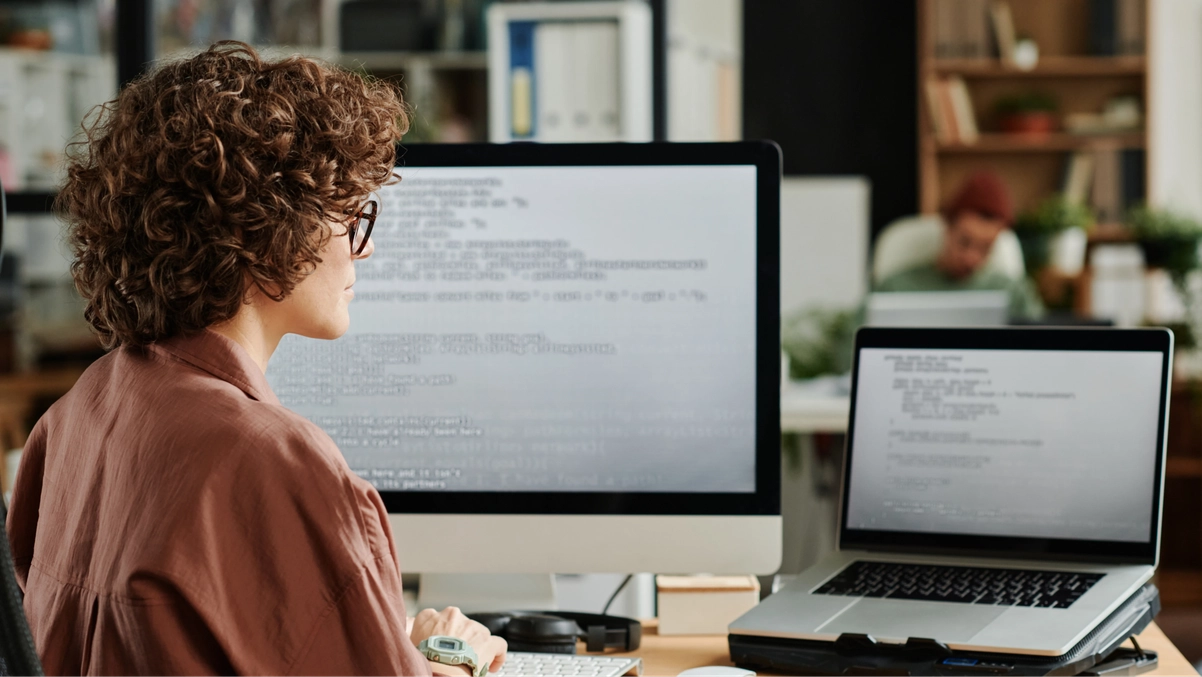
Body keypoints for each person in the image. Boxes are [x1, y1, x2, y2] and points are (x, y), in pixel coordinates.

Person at [5, 42, 506, 675]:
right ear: (265, 230)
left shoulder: (75, 415)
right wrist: (452, 660)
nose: (364, 249)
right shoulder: (274, 460)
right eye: (349, 215)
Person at [875, 171, 1044, 320]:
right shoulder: (895, 289)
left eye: (985, 248)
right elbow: (854, 343)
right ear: (947, 227)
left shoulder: (1014, 294)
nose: (971, 258)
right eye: (964, 242)